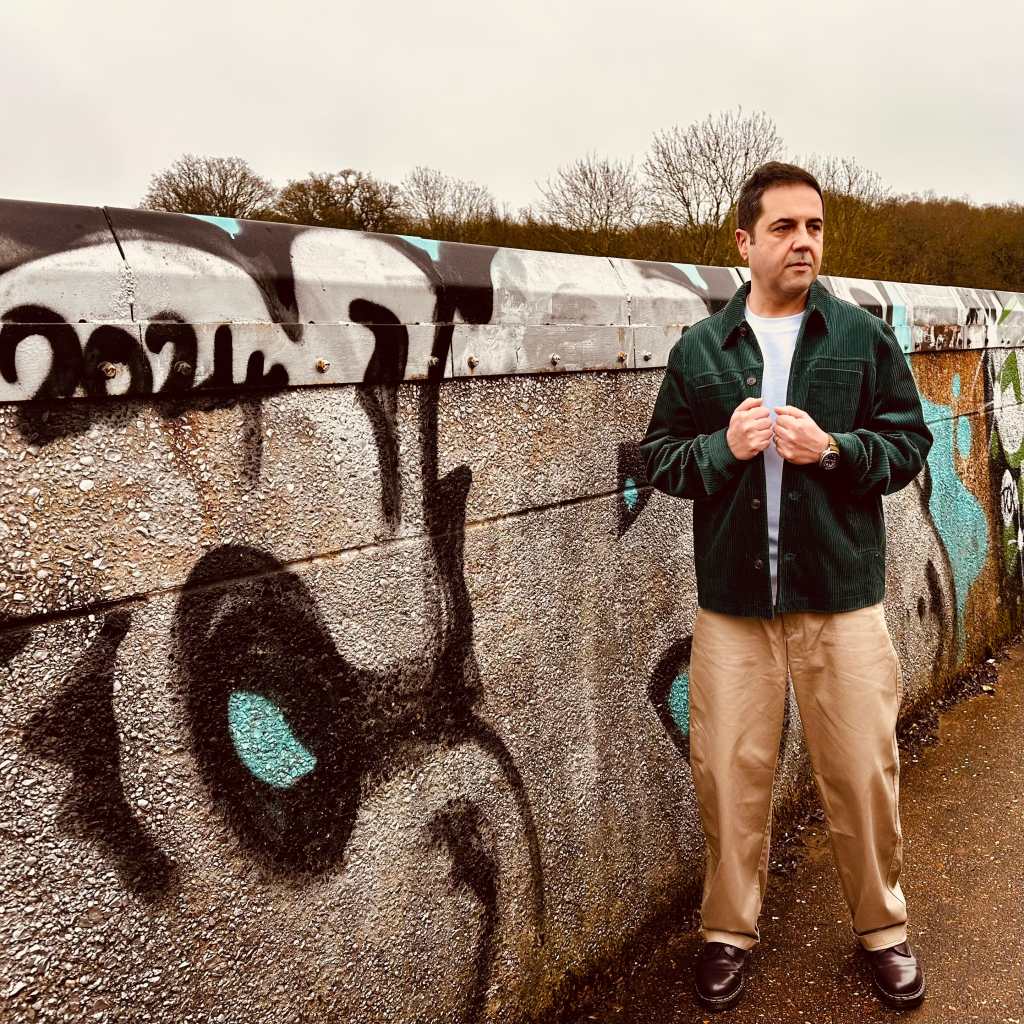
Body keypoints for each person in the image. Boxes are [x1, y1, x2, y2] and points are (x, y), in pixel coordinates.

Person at [639, 161, 934, 1012]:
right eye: (784, 227)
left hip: (840, 598)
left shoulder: (861, 338)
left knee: (863, 772)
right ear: (744, 242)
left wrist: (834, 449)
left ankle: (883, 930)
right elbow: (660, 459)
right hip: (735, 606)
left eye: (814, 227)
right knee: (728, 776)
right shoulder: (701, 350)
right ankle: (728, 932)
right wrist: (720, 449)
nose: (804, 241)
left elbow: (908, 444)